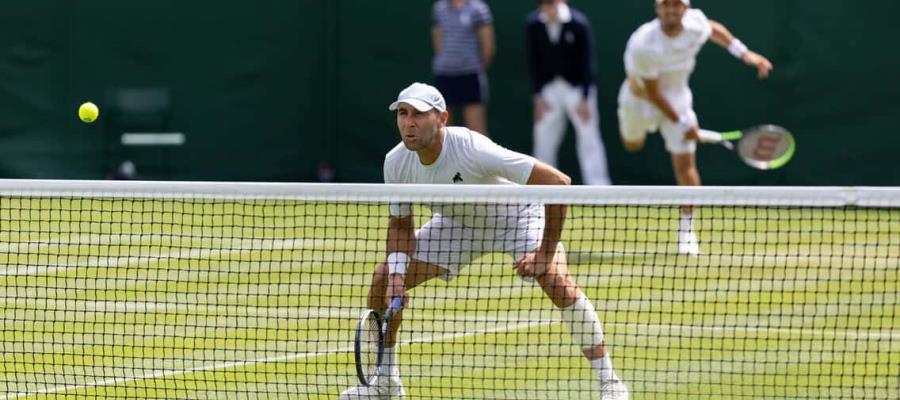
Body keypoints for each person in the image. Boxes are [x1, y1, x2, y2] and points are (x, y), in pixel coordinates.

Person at [339, 82, 628, 399]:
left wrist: (545, 253)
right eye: (403, 113)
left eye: (419, 114)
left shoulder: (471, 148)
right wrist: (397, 275)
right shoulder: (396, 163)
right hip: (458, 224)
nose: (408, 123)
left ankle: (610, 382)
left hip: (517, 217)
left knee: (556, 280)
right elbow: (401, 225)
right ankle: (385, 381)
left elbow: (558, 182)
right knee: (382, 279)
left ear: (442, 118)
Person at [617, 0, 773, 254]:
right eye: (665, 5)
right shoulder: (644, 44)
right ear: (658, 9)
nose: (671, 10)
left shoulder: (695, 23)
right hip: (641, 99)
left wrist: (745, 54)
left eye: (677, 5)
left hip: (677, 97)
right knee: (632, 144)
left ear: (685, 8)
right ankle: (645, 132)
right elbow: (654, 93)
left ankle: (687, 231)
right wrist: (683, 122)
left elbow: (713, 29)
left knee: (686, 165)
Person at [526, 0, 611, 186]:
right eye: (544, 4)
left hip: (577, 90)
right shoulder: (534, 24)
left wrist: (585, 98)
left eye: (551, 3)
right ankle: (542, 187)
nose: (548, 8)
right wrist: (538, 97)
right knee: (543, 137)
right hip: (548, 91)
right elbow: (534, 63)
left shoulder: (579, 23)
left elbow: (588, 62)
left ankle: (599, 187)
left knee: (589, 136)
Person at [431, 0, 495, 135]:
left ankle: (480, 157)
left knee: (477, 130)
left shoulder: (479, 9)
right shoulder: (439, 9)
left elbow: (488, 44)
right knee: (443, 128)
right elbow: (438, 41)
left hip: (470, 74)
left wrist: (476, 66)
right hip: (444, 74)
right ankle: (448, 157)